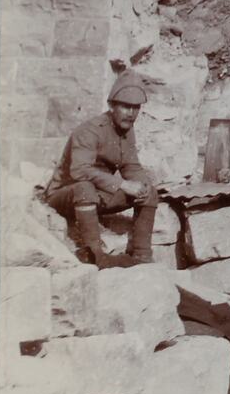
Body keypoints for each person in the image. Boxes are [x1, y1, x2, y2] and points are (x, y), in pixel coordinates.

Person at [44, 70, 158, 268]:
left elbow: (130, 166)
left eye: (136, 107)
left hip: (98, 195)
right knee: (84, 187)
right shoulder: (90, 131)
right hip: (65, 196)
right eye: (125, 106)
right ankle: (95, 254)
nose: (131, 113)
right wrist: (122, 184)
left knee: (150, 192)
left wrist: (143, 185)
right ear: (111, 106)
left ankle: (142, 255)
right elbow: (79, 171)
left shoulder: (126, 130)